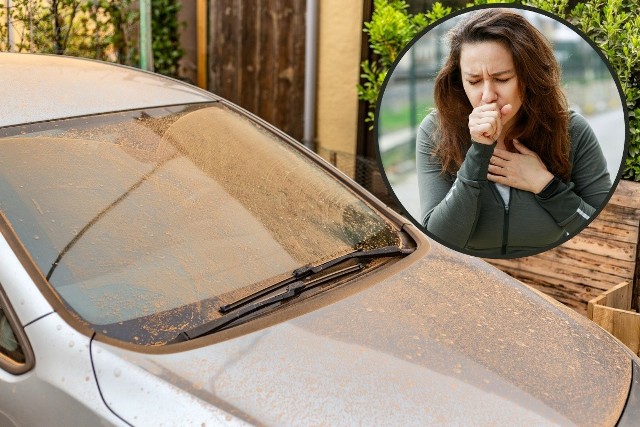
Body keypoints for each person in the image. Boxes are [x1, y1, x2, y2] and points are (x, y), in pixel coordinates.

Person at [416, 8, 611, 257]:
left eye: (503, 78)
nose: (487, 96)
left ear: (528, 78)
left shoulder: (572, 130)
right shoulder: (436, 131)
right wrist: (478, 152)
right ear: (458, 80)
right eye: (474, 81)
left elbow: (598, 228)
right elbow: (439, 238)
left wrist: (545, 185)